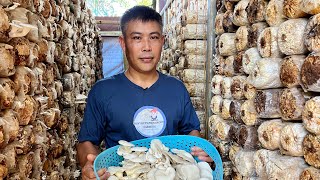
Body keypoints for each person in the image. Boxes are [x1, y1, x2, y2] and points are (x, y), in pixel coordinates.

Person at [76, 5, 213, 180]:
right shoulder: (103, 91)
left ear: (162, 41)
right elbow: (87, 141)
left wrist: (200, 153)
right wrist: (90, 165)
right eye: (137, 38)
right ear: (123, 43)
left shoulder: (176, 89)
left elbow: (191, 133)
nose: (147, 47)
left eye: (153, 37)